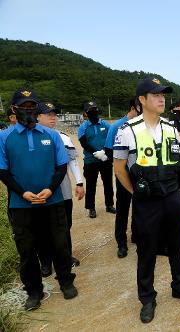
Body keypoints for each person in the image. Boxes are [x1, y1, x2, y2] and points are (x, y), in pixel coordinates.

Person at [113, 78, 180, 324]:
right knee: (147, 250)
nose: (162, 99)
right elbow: (119, 169)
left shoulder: (171, 128)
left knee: (176, 245)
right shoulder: (127, 130)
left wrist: (178, 192)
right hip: (147, 200)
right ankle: (147, 298)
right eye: (155, 95)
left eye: (163, 95)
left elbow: (178, 162)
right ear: (142, 99)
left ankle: (179, 286)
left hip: (172, 195)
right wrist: (136, 193)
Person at [0, 89, 77, 311]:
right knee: (27, 249)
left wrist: (51, 190)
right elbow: (2, 171)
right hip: (21, 204)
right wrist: (21, 192)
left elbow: (61, 166)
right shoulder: (5, 137)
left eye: (32, 106)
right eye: (23, 107)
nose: (28, 111)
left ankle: (65, 281)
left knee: (60, 244)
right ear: (14, 110)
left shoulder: (51, 135)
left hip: (52, 201)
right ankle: (34, 291)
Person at [37, 102, 85, 272]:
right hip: (39, 192)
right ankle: (45, 262)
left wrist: (79, 183)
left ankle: (65, 256)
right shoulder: (30, 137)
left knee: (64, 225)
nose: (53, 118)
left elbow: (73, 161)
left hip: (62, 190)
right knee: (41, 227)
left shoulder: (63, 137)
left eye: (54, 114)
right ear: (37, 116)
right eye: (48, 114)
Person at [104, 98, 141, 258]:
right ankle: (121, 242)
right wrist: (122, 167)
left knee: (139, 207)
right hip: (124, 175)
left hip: (140, 176)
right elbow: (108, 150)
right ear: (134, 108)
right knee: (123, 209)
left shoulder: (143, 126)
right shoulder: (117, 126)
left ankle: (136, 235)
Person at [77, 101, 116, 218]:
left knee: (108, 183)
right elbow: (84, 144)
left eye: (95, 109)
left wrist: (104, 152)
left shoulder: (105, 124)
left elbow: (112, 138)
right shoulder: (83, 127)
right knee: (90, 184)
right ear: (86, 113)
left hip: (105, 159)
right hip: (90, 160)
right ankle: (91, 208)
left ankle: (109, 205)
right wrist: (96, 153)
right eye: (90, 110)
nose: (94, 112)